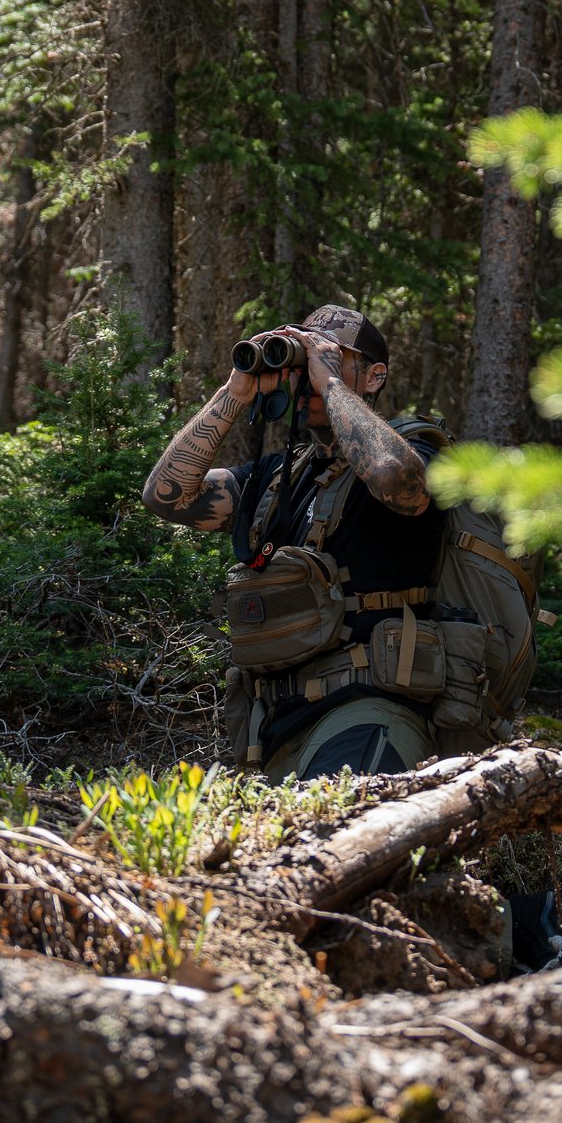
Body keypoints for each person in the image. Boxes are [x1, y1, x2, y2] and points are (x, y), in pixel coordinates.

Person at [140, 303, 446, 777]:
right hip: (277, 728)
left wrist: (331, 383)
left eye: (329, 356)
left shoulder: (413, 451)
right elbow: (168, 498)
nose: (308, 374)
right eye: (302, 362)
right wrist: (235, 390)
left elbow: (395, 480)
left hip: (367, 710)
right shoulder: (278, 476)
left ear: (375, 376)